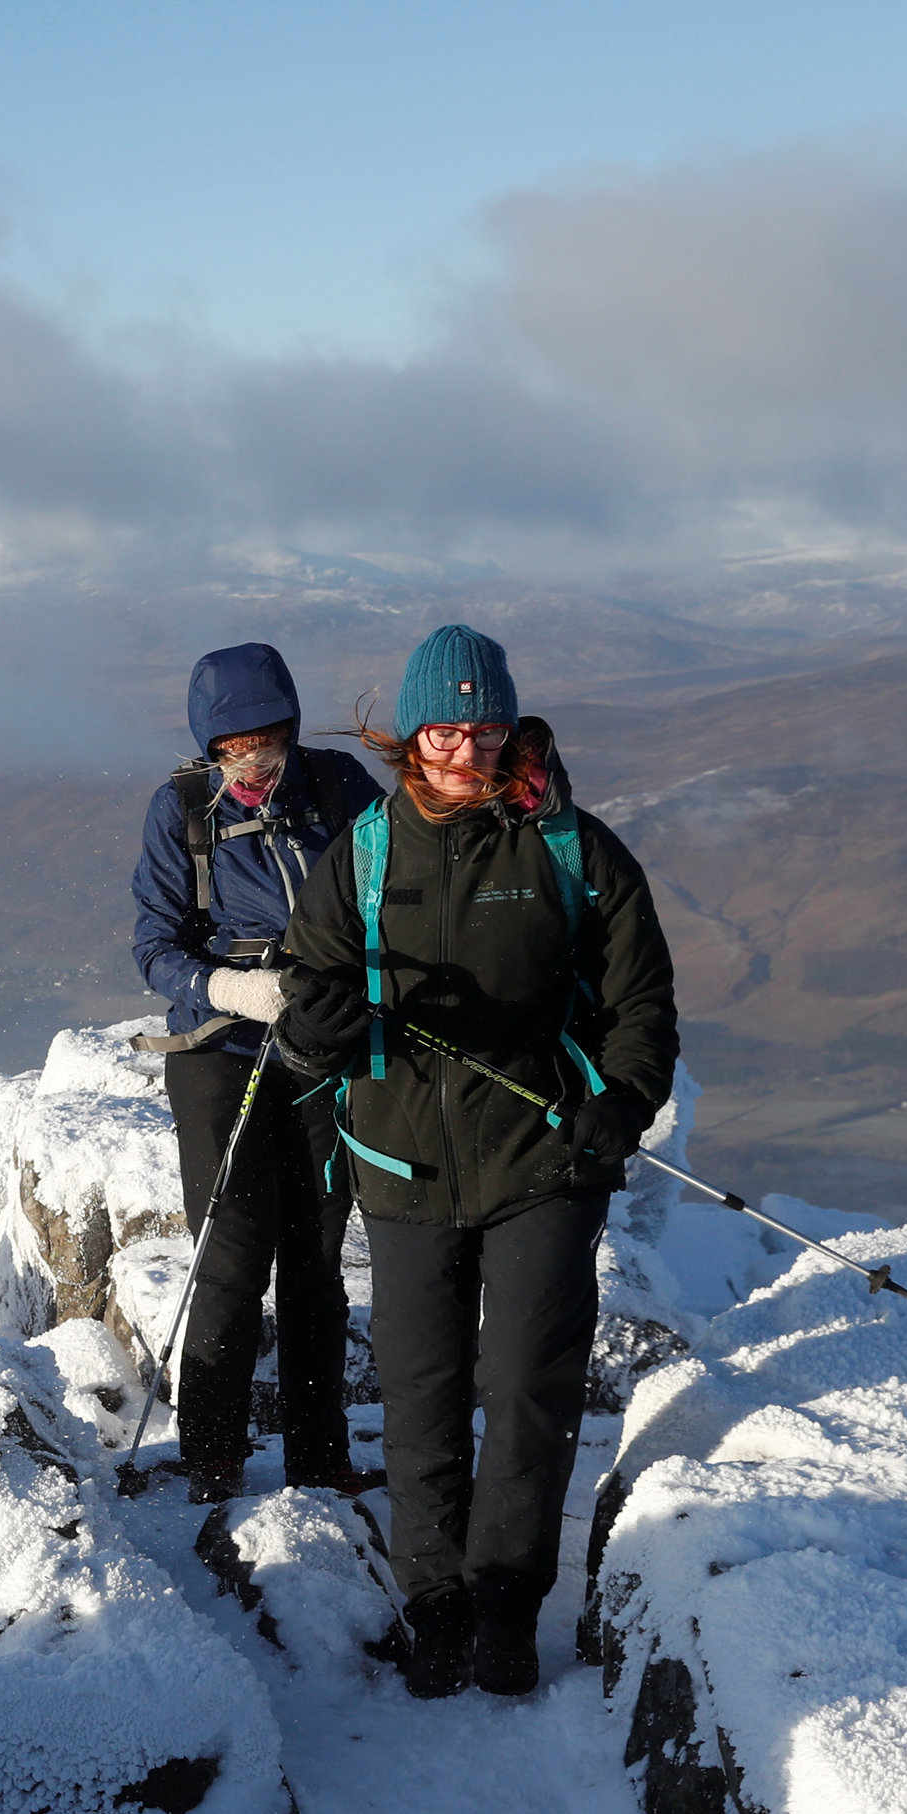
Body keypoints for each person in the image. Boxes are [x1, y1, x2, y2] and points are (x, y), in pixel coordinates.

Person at [272, 625, 678, 1699]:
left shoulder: (568, 850)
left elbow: (639, 1001)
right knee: (418, 1396)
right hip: (399, 1169)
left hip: (543, 1161)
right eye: (444, 729)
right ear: (409, 734)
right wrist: (316, 1025)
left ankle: (504, 1607)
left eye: (484, 727)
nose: (464, 749)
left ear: (511, 728)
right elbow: (306, 999)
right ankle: (432, 1607)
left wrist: (620, 1105)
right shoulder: (361, 854)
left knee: (528, 1389)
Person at [129, 642, 384, 1504]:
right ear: (209, 744)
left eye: (269, 735)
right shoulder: (183, 813)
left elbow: (399, 890)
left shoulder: (339, 786)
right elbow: (154, 946)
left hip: (318, 1045)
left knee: (316, 1255)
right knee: (233, 1253)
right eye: (235, 743)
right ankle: (212, 1455)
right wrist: (231, 987)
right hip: (218, 1051)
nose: (255, 757)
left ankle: (319, 1457)